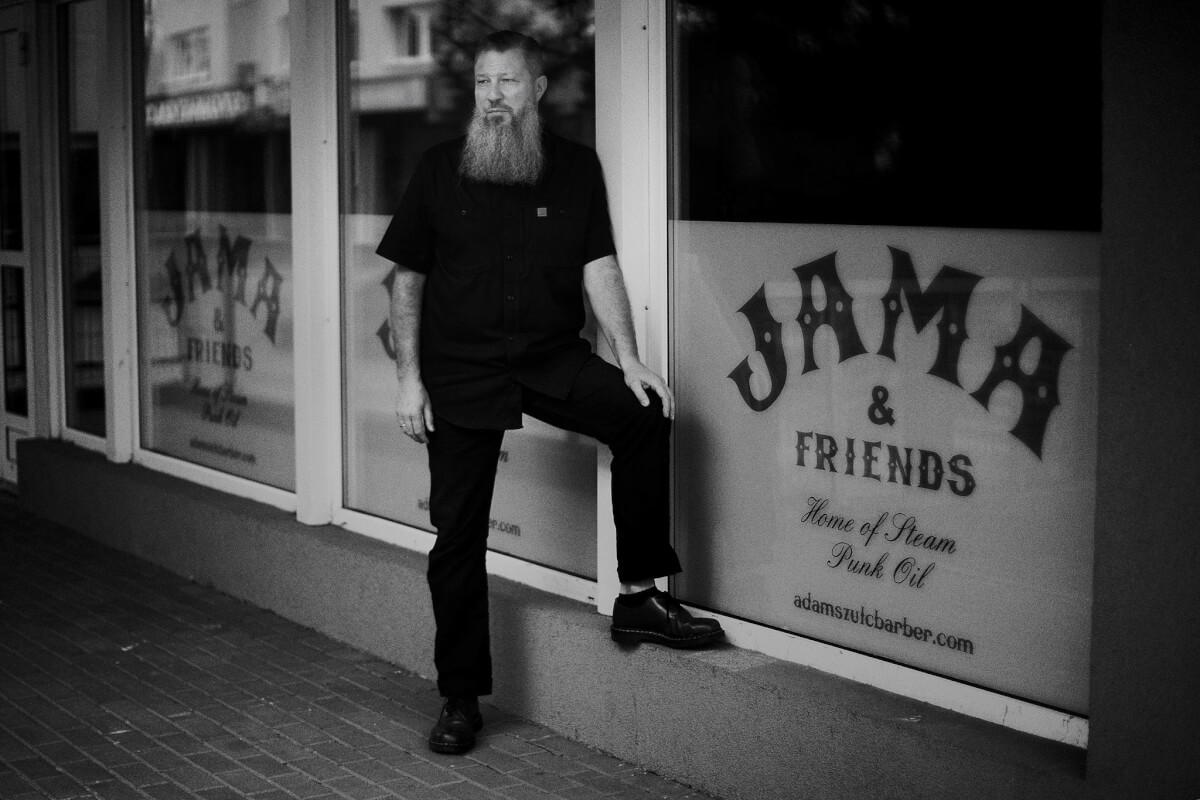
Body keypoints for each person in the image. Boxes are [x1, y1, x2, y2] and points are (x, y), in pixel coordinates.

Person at [375, 30, 723, 756]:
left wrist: (630, 358)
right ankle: (460, 696)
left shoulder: (574, 168)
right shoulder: (438, 169)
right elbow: (407, 280)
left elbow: (600, 265)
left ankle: (638, 597)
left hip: (547, 357)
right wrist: (409, 379)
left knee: (643, 412)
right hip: (462, 369)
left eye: (507, 82)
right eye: (482, 83)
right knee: (457, 538)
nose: (492, 96)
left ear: (536, 90)